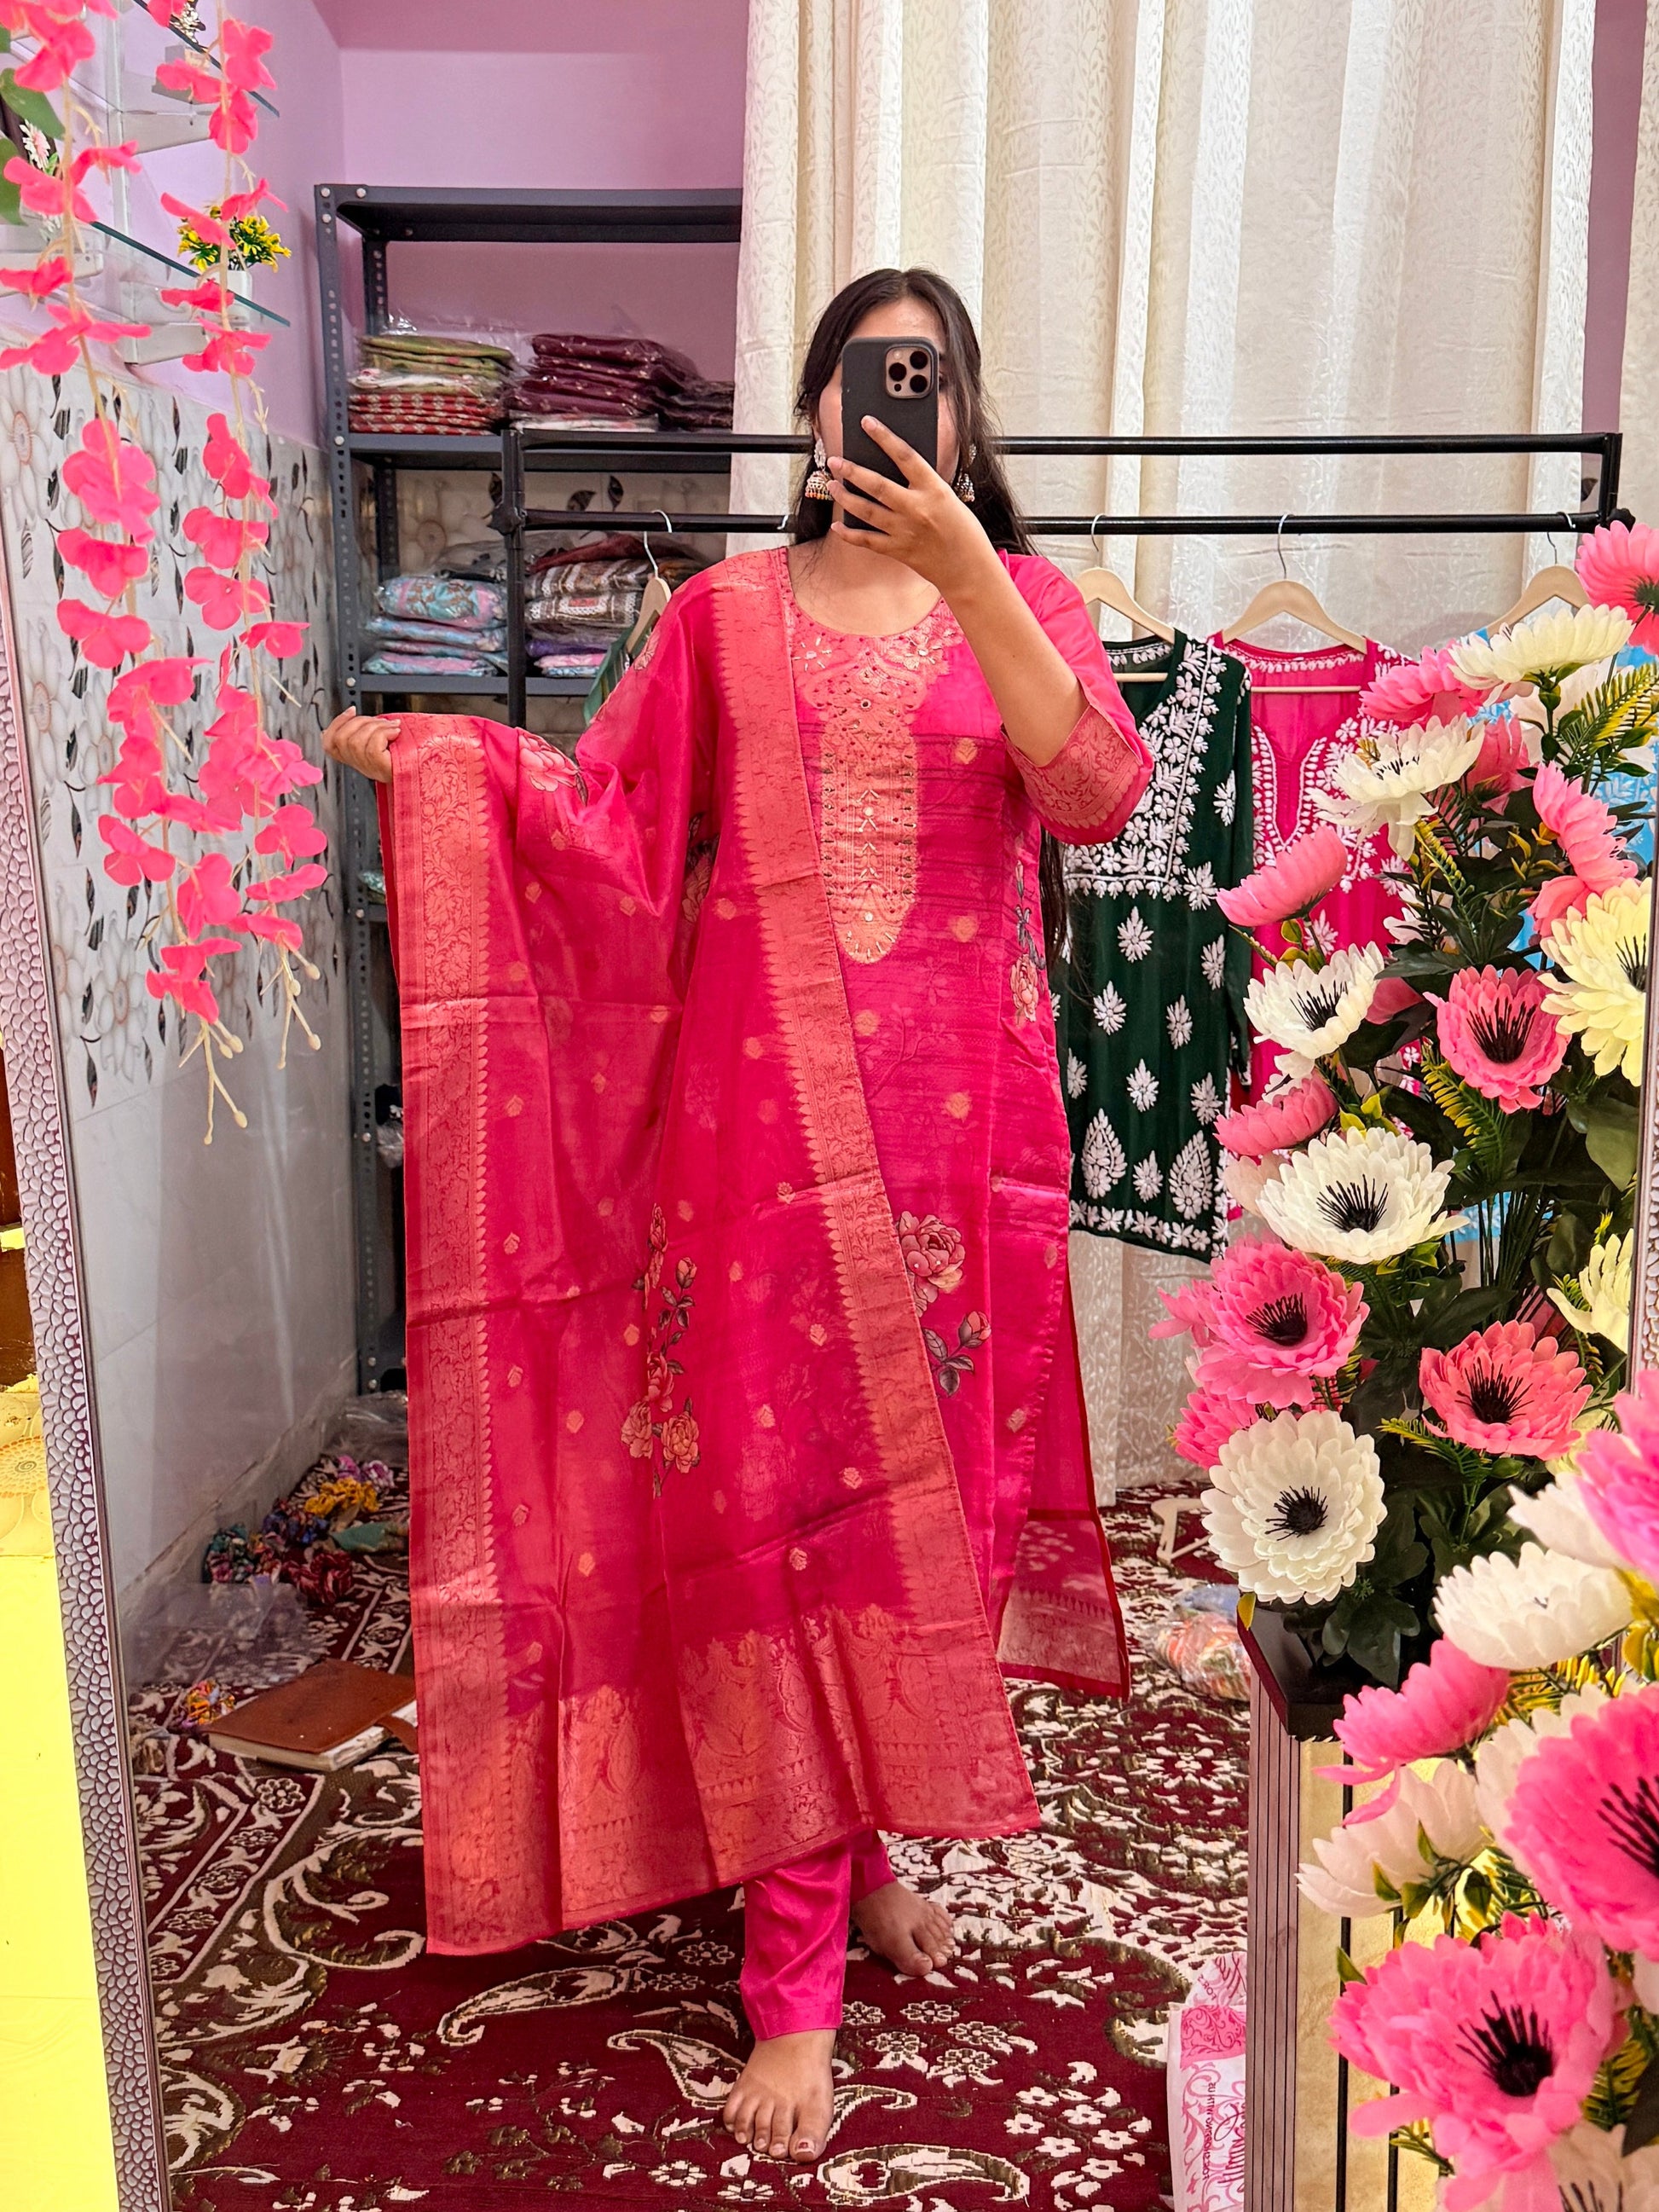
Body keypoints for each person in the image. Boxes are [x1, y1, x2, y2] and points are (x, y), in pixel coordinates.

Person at [322, 268, 1151, 2169]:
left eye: (931, 383)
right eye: (869, 381)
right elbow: (607, 828)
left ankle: (848, 1871)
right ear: (812, 412)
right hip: (754, 1153)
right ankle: (794, 1984)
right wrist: (449, 761)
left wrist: (962, 574)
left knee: (903, 1518)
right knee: (785, 1536)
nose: (899, 411)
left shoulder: (1027, 607)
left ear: (968, 419)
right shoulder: (719, 619)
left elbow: (1092, 790)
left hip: (957, 1161)